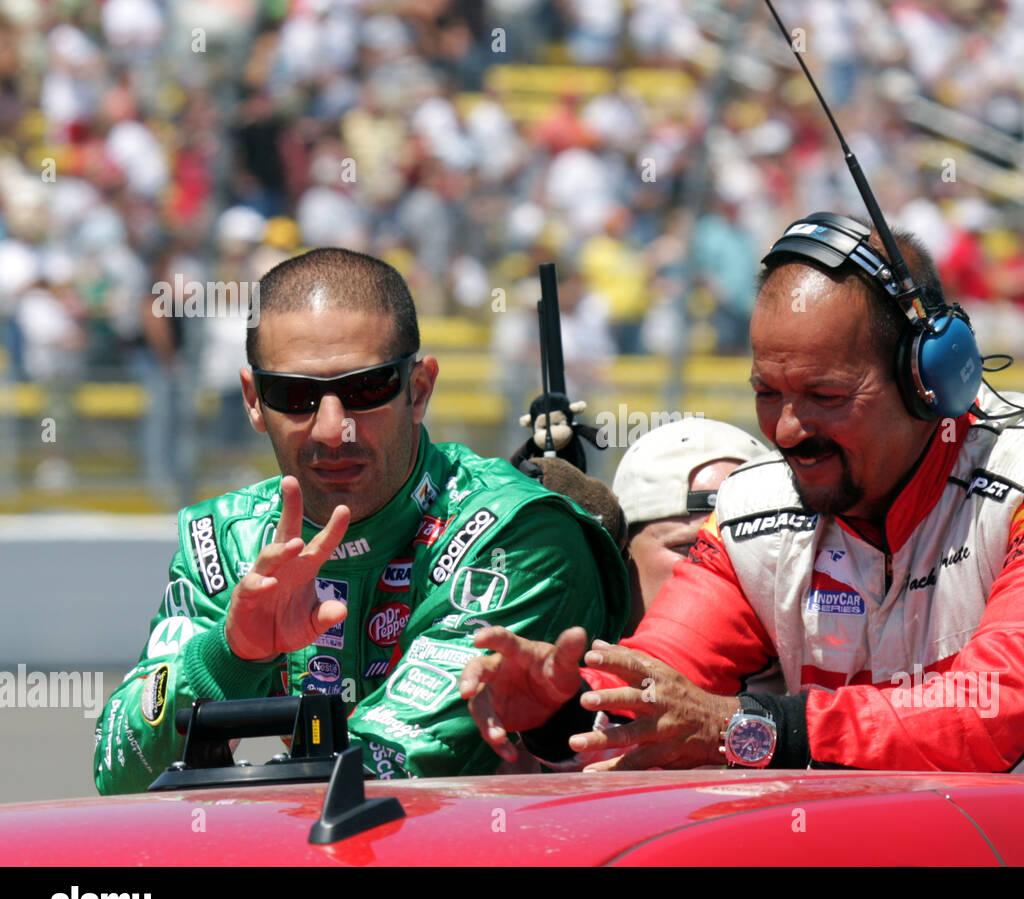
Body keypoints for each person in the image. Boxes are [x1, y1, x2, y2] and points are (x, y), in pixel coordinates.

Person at [459, 213, 1024, 786]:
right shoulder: (751, 512)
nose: (785, 428)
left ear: (931, 379)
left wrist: (750, 728)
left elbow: (992, 720)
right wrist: (560, 708)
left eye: (827, 394)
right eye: (766, 391)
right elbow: (656, 691)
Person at [94, 248, 627, 794]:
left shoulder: (514, 531)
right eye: (295, 395)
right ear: (254, 401)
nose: (331, 429)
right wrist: (229, 656)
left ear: (418, 390)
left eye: (365, 389)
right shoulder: (227, 540)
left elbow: (403, 761)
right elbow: (119, 771)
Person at [612, 417, 767, 635]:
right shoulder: (565, 661)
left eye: (747, 551)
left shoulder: (819, 662)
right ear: (621, 554)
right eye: (693, 548)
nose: (722, 573)